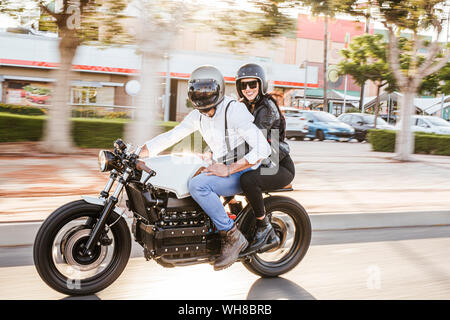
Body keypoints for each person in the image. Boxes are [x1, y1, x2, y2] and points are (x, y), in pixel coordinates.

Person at [139, 65, 271, 271]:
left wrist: (229, 169)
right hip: (222, 164)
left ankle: (232, 236)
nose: (203, 95)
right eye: (198, 90)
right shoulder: (198, 115)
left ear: (218, 89)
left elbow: (263, 148)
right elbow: (172, 136)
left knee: (198, 185)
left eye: (207, 89)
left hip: (244, 169)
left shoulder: (233, 110)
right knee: (184, 170)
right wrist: (139, 152)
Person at [234, 63, 295, 251]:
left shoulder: (266, 108)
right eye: (243, 85)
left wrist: (224, 159)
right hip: (262, 161)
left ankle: (263, 227)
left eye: (252, 84)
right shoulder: (244, 106)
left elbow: (254, 141)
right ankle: (238, 223)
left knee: (248, 180)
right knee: (228, 178)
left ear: (261, 85)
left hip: (279, 165)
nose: (248, 89)